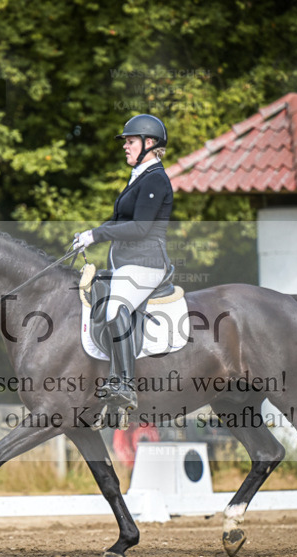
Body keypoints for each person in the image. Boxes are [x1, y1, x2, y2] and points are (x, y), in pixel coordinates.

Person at [73, 114, 174, 411]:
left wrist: (97, 234)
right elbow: (118, 222)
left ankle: (125, 385)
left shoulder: (155, 179)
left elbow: (140, 227)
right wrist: (86, 236)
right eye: (126, 142)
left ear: (149, 143)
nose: (125, 147)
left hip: (146, 263)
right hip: (126, 263)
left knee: (117, 307)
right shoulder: (139, 178)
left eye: (130, 141)